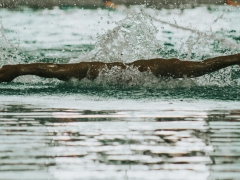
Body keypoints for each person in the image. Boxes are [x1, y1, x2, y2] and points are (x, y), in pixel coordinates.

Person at [0, 53, 239, 83]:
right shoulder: (98, 72)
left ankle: (17, 69)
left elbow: (205, 66)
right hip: (102, 69)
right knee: (63, 71)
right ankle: (16, 69)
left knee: (199, 68)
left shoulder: (162, 69)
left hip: (150, 68)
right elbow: (205, 66)